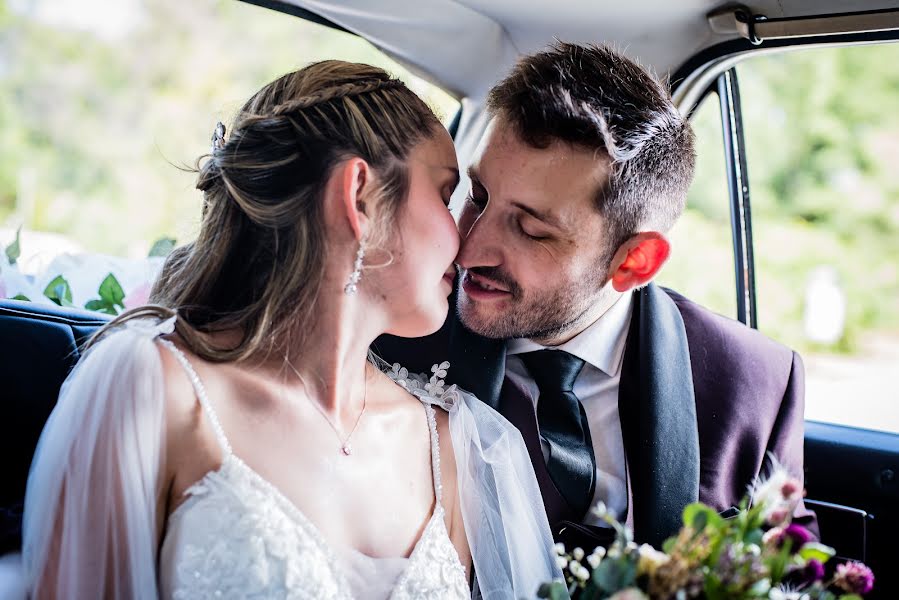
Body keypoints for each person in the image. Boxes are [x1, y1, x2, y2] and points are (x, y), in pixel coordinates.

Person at [22, 61, 560, 599]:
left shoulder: (451, 445)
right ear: (359, 197)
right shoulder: (156, 389)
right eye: (446, 197)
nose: (467, 242)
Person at [376, 42, 816, 551]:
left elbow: (792, 574)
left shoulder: (755, 382)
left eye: (531, 230)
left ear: (633, 262)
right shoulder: (390, 339)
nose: (468, 248)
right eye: (478, 197)